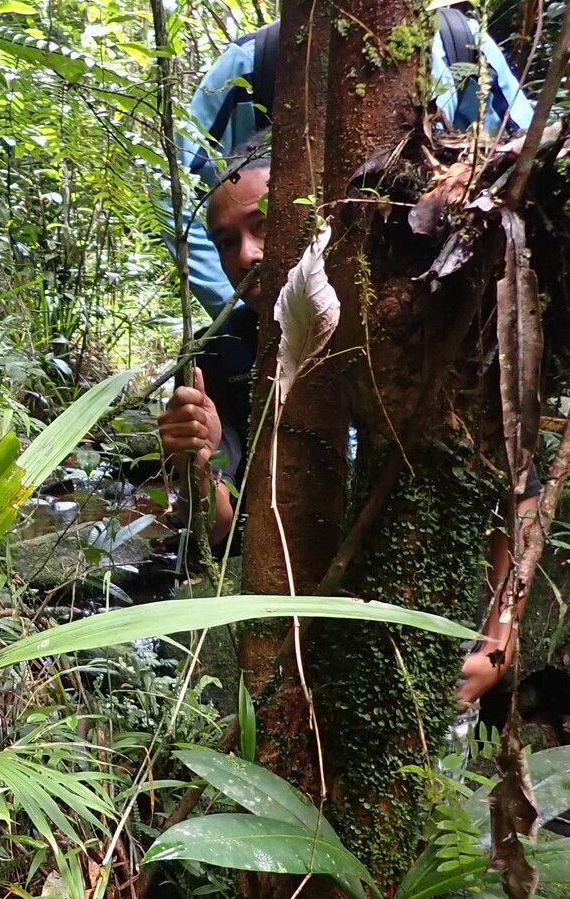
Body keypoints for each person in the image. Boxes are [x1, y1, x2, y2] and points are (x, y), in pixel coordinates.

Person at [158, 136, 538, 705]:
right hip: (297, 613)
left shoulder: (418, 319)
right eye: (225, 241)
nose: (245, 256)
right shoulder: (222, 354)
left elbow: (516, 492)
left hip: (434, 600)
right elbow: (221, 532)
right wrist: (194, 462)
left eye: (263, 227)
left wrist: (498, 643)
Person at [181, 12, 536, 319]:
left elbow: (522, 159)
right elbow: (181, 198)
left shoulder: (461, 43)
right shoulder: (253, 64)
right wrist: (247, 314)